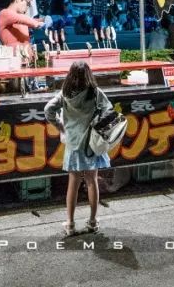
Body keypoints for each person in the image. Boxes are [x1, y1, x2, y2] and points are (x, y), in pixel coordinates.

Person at [44, 61, 112, 237]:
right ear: (88, 74)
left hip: (73, 143)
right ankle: (92, 221)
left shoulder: (65, 94)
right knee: (92, 181)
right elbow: (108, 110)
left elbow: (48, 109)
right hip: (92, 143)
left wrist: (60, 126)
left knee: (73, 183)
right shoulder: (94, 93)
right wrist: (98, 124)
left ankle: (70, 224)